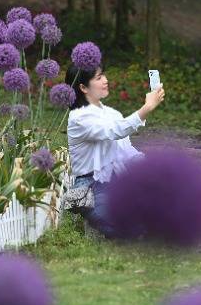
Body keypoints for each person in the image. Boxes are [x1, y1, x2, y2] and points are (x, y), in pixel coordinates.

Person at [66, 64, 165, 237]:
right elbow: (115, 131)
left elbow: (127, 152)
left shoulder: (110, 114)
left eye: (103, 75)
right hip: (91, 185)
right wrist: (147, 107)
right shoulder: (79, 119)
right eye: (98, 78)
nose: (105, 81)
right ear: (83, 87)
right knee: (129, 229)